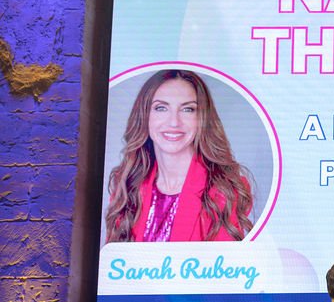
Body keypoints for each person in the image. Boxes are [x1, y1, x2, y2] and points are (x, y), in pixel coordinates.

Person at [105, 69, 254, 242]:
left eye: (187, 109)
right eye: (161, 108)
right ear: (144, 116)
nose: (174, 122)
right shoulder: (126, 184)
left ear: (201, 119)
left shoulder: (224, 189)